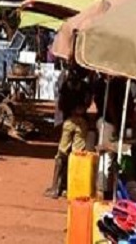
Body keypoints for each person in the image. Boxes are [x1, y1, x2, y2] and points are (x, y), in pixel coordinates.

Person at [44, 65, 92, 198]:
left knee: (61, 154)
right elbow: (87, 103)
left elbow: (61, 104)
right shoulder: (85, 87)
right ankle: (70, 188)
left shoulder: (66, 86)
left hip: (69, 120)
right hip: (82, 121)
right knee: (76, 156)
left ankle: (55, 187)